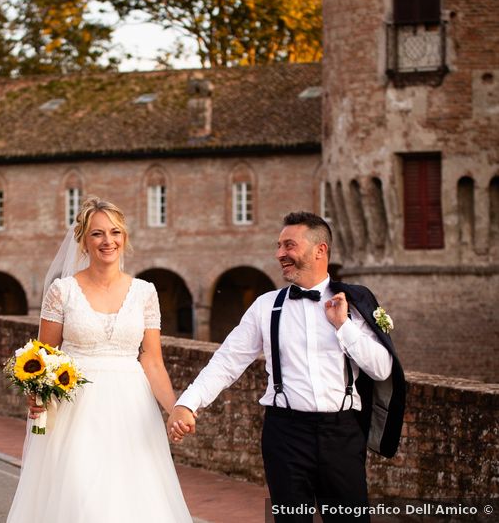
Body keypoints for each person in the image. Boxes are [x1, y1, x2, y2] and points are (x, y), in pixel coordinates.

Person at [167, 212, 406, 522]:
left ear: (320, 250)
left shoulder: (355, 304)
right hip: (285, 435)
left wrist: (343, 326)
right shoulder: (266, 307)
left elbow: (382, 369)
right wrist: (188, 403)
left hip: (342, 434)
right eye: (278, 246)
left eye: (289, 245)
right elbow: (227, 361)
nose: (280, 254)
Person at [7, 197, 191, 523]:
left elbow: (152, 361)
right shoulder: (62, 291)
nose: (108, 241)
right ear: (83, 241)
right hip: (75, 410)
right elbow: (45, 357)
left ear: (125, 237)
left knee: (132, 500)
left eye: (115, 232)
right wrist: (34, 397)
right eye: (97, 234)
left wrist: (174, 407)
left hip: (133, 411)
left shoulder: (145, 292)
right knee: (82, 499)